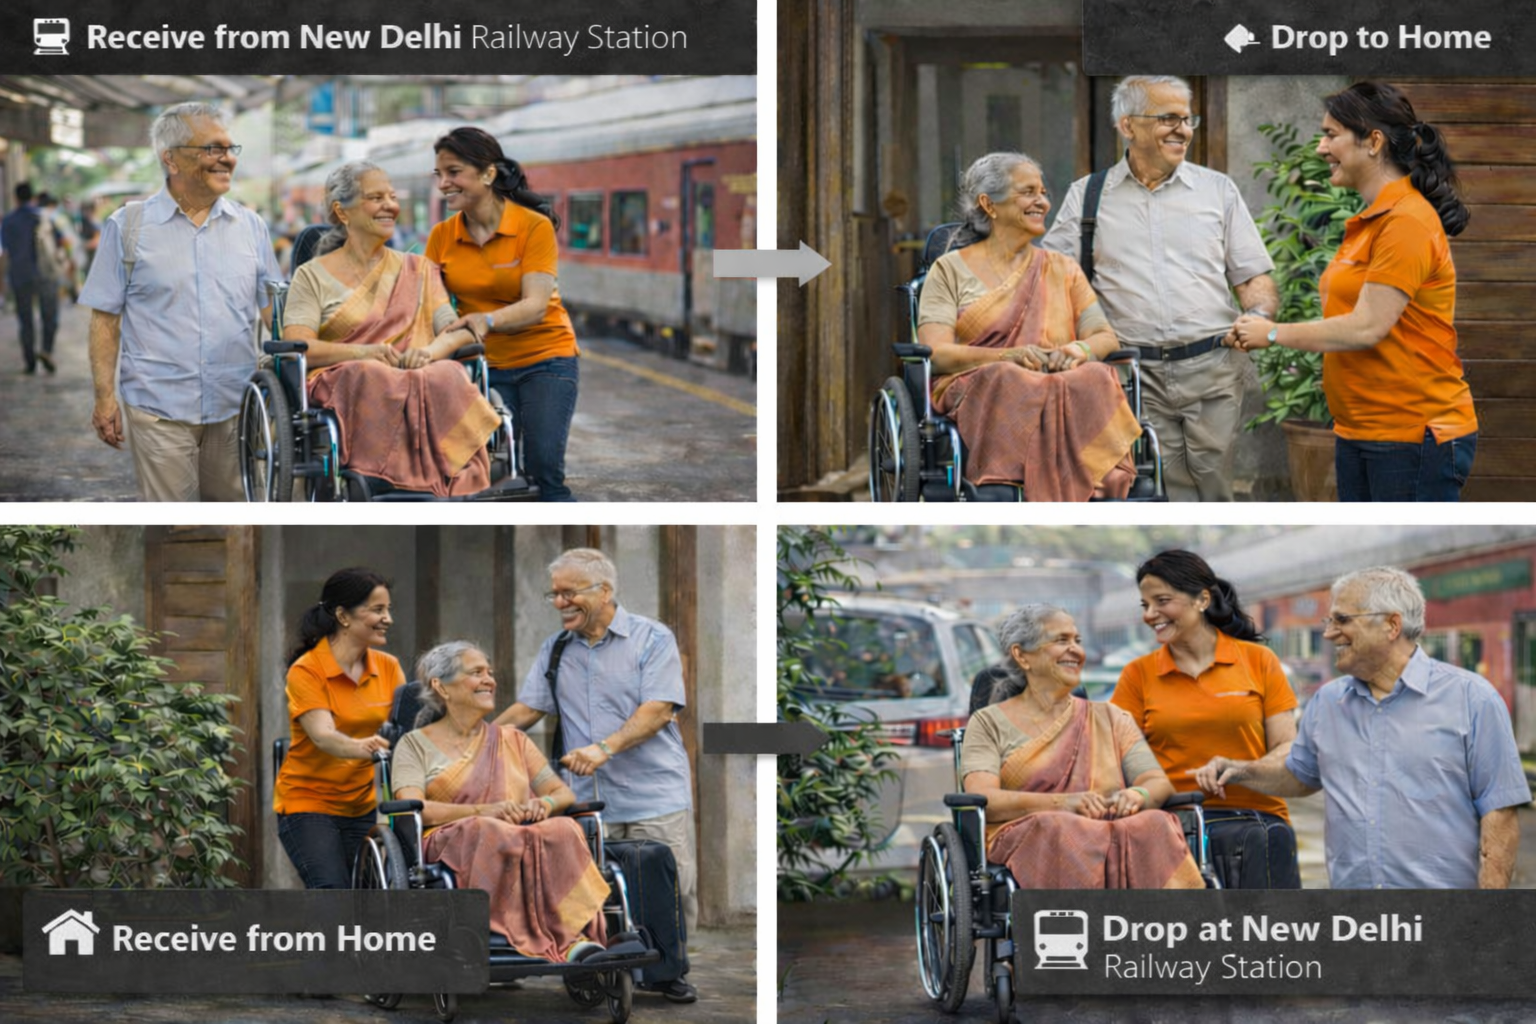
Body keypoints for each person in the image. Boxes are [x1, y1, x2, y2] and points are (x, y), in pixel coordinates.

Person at [1195, 566, 1531, 889]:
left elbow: (1499, 812)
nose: (1328, 633)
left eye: (1342, 620)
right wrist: (1240, 770)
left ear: (1391, 625)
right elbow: (1299, 774)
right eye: (1329, 621)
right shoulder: (1328, 703)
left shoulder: (1472, 698)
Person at [1230, 82, 1478, 502]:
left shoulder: (1407, 222)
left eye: (1331, 135)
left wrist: (1271, 334)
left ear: (1373, 142)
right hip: (1359, 430)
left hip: (1413, 434)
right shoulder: (1370, 222)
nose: (1321, 149)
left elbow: (1366, 328)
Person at [1042, 75, 1279, 503]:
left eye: (1188, 119)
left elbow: (1252, 277)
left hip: (1212, 367)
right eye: (1168, 118)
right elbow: (1055, 282)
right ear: (1128, 126)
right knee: (1162, 490)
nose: (1183, 130)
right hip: (1131, 374)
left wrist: (1258, 316)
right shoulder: (1088, 196)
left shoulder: (1217, 190)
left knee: (1214, 485)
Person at [494, 547, 699, 1002]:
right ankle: (593, 966)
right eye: (554, 594)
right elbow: (529, 708)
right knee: (587, 892)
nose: (560, 602)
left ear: (604, 591)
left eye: (569, 592)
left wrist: (604, 748)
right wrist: (474, 741)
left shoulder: (652, 639)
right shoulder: (556, 648)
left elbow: (659, 709)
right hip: (584, 798)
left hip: (653, 792)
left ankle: (668, 972)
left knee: (666, 889)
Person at [80, 101, 282, 502]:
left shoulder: (251, 227)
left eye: (229, 148)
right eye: (211, 149)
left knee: (236, 519)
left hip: (234, 409)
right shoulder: (128, 227)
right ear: (170, 159)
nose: (226, 158)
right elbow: (105, 320)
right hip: (159, 409)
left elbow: (274, 314)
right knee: (177, 524)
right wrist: (105, 398)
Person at [917, 152, 1139, 501]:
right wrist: (1008, 355)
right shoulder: (949, 270)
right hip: (983, 382)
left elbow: (1104, 337)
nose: (1043, 202)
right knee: (1007, 376)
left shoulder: (1062, 268)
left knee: (1096, 376)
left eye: (1043, 192)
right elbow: (938, 354)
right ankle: (1002, 480)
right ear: (989, 204)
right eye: (1028, 192)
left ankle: (1099, 479)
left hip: (1056, 376)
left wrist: (1078, 349)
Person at [282, 162, 500, 497]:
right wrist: (364, 352)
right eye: (376, 197)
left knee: (447, 374)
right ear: (342, 211)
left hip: (414, 369)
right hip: (345, 374)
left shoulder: (420, 270)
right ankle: (380, 475)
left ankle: (454, 475)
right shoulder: (310, 276)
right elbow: (299, 345)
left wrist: (427, 352)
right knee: (372, 374)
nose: (391, 205)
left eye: (393, 197)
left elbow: (456, 331)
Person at [961, 604, 1205, 889]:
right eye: (1061, 640)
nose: (1075, 650)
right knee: (1059, 827)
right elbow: (982, 797)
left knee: (1156, 823)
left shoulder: (1111, 718)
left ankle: (1169, 925)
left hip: (1108, 824)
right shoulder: (988, 722)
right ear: (1022, 655)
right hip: (1031, 831)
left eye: (1077, 640)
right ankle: (1082, 925)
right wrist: (1063, 803)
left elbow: (1156, 781)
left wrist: (1138, 794)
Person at [392, 642, 609, 962]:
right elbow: (414, 808)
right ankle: (528, 934)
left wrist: (545, 804)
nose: (490, 680)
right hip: (453, 837)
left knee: (563, 828)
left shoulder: (513, 739)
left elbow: (563, 794)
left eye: (490, 673)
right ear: (441, 686)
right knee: (488, 829)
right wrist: (483, 810)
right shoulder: (414, 745)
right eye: (476, 672)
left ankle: (573, 936)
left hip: (519, 831)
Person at [1112, 550, 1301, 887]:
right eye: (1145, 605)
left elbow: (1287, 751)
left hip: (1256, 822)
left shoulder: (1259, 661)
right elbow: (1116, 760)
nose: (1150, 614)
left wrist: (1241, 769)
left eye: (1162, 601)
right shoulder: (1137, 675)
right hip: (1169, 825)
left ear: (1202, 600)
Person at [426, 127, 580, 502]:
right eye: (439, 175)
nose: (444, 183)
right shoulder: (441, 236)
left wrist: (486, 320)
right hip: (478, 364)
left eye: (454, 172)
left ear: (488, 174)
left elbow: (535, 305)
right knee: (484, 471)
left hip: (546, 359)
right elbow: (431, 302)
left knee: (543, 469)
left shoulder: (533, 227)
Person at [273, 568, 398, 889]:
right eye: (377, 610)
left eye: (388, 609)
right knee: (333, 892)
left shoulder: (388, 667)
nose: (388, 619)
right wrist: (366, 747)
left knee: (367, 901)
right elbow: (323, 736)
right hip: (308, 804)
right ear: (343, 615)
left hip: (362, 806)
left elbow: (406, 728)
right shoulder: (307, 671)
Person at [0, 182, 60, 375]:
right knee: (49, 315)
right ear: (32, 196)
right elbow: (58, 241)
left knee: (25, 319)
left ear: (16, 197)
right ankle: (46, 351)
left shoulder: (8, 221)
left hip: (20, 274)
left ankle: (30, 361)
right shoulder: (43, 217)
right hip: (45, 273)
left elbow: (4, 252)